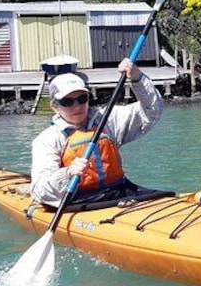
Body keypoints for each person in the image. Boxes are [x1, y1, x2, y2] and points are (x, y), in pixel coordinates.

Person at [30, 58, 164, 207]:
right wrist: (67, 173)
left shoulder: (107, 120)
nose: (77, 106)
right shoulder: (48, 139)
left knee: (165, 195)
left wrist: (138, 78)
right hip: (80, 199)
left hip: (120, 191)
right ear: (54, 106)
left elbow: (153, 112)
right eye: (67, 102)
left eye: (82, 99)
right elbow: (39, 190)